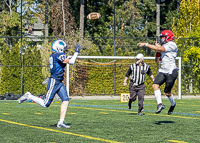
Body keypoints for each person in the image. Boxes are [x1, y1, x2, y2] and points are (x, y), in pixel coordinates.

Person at [18, 39, 82, 128]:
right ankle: (29, 96)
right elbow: (71, 61)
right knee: (45, 104)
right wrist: (76, 52)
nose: (64, 49)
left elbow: (66, 60)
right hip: (54, 81)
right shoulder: (59, 55)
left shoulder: (54, 55)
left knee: (66, 99)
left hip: (58, 81)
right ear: (59, 48)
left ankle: (61, 121)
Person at [137, 30, 178, 115]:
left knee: (167, 92)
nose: (162, 39)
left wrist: (146, 44)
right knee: (155, 85)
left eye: (163, 37)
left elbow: (159, 48)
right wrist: (157, 52)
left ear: (168, 37)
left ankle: (173, 104)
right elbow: (157, 60)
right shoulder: (164, 46)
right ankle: (160, 104)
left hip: (171, 71)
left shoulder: (172, 45)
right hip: (163, 71)